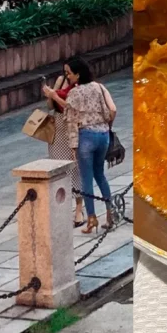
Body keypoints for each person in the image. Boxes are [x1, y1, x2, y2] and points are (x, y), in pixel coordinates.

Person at [42, 58, 117, 234]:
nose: (67, 76)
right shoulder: (98, 87)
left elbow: (70, 116)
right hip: (103, 135)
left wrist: (73, 147)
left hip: (86, 137)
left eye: (69, 73)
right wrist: (107, 127)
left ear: (78, 74)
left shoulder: (75, 93)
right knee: (100, 175)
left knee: (86, 180)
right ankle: (110, 213)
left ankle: (91, 218)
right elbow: (112, 110)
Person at [45, 69, 84, 226]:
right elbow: (50, 106)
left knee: (76, 168)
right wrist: (50, 95)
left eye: (70, 71)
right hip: (59, 125)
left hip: (74, 126)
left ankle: (79, 209)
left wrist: (55, 95)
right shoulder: (60, 80)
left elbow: (72, 107)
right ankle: (62, 207)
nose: (67, 74)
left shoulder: (81, 85)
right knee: (58, 167)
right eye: (66, 71)